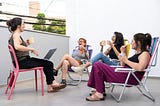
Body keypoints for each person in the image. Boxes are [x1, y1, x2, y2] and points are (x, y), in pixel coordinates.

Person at [86, 33, 152, 101]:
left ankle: (99, 93)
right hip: (125, 73)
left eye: (132, 41)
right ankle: (100, 90)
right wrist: (122, 53)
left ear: (138, 42)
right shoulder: (137, 54)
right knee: (98, 64)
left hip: (129, 77)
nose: (131, 43)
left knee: (97, 65)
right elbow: (122, 65)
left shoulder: (145, 54)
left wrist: (126, 60)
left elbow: (140, 68)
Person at [6, 17, 65, 93]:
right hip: (23, 62)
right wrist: (31, 49)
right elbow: (17, 47)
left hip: (22, 61)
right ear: (18, 26)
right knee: (48, 63)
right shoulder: (16, 35)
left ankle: (51, 86)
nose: (24, 26)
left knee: (46, 63)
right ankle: (52, 84)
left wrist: (27, 44)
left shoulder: (13, 34)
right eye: (23, 24)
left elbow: (18, 47)